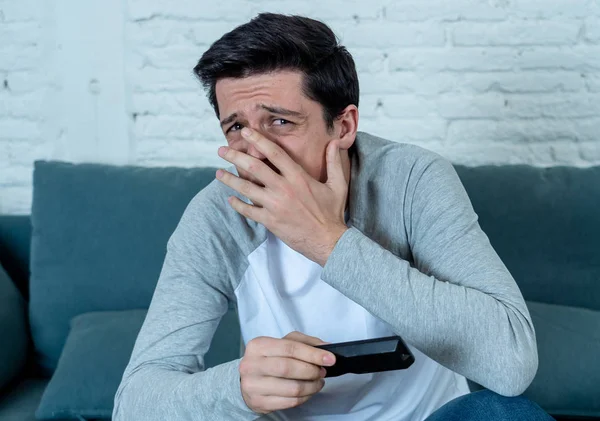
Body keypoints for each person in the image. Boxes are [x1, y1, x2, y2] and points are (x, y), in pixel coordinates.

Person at [113, 13, 553, 421]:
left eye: (280, 122)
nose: (254, 151)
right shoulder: (217, 215)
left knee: (500, 411)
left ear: (343, 126)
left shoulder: (412, 179)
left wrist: (326, 240)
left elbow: (511, 363)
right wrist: (237, 389)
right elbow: (133, 401)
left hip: (427, 417)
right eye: (236, 128)